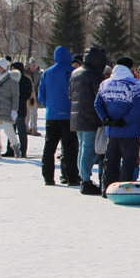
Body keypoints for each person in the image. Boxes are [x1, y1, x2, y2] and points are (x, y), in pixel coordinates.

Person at [94, 57, 140, 188]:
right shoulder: (136, 85)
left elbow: (97, 104)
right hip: (131, 130)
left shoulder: (105, 84)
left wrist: (105, 118)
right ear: (130, 68)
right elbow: (137, 108)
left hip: (112, 130)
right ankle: (124, 188)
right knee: (129, 161)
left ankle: (107, 187)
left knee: (111, 161)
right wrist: (124, 120)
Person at [38, 46, 79, 186]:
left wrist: (49, 105)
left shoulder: (47, 73)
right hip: (69, 115)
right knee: (70, 148)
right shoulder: (73, 72)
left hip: (52, 115)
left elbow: (41, 94)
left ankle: (48, 177)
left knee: (49, 147)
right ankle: (72, 176)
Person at [70, 47, 107, 193]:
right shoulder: (95, 74)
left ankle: (83, 177)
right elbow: (100, 97)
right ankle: (86, 180)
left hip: (76, 116)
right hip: (90, 116)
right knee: (89, 149)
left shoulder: (75, 73)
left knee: (82, 148)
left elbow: (70, 95)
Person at [3, 62, 32, 158]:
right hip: (10, 107)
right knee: (10, 130)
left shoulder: (25, 80)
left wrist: (17, 100)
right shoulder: (10, 79)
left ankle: (23, 150)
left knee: (21, 131)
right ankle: (10, 149)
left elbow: (27, 94)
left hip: (20, 108)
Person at [27, 60, 42, 136]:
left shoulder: (39, 75)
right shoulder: (26, 73)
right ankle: (26, 127)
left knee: (34, 112)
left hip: (33, 96)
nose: (32, 67)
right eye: (31, 66)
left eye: (34, 66)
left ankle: (34, 128)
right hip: (26, 95)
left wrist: (36, 95)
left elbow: (39, 86)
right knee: (26, 112)